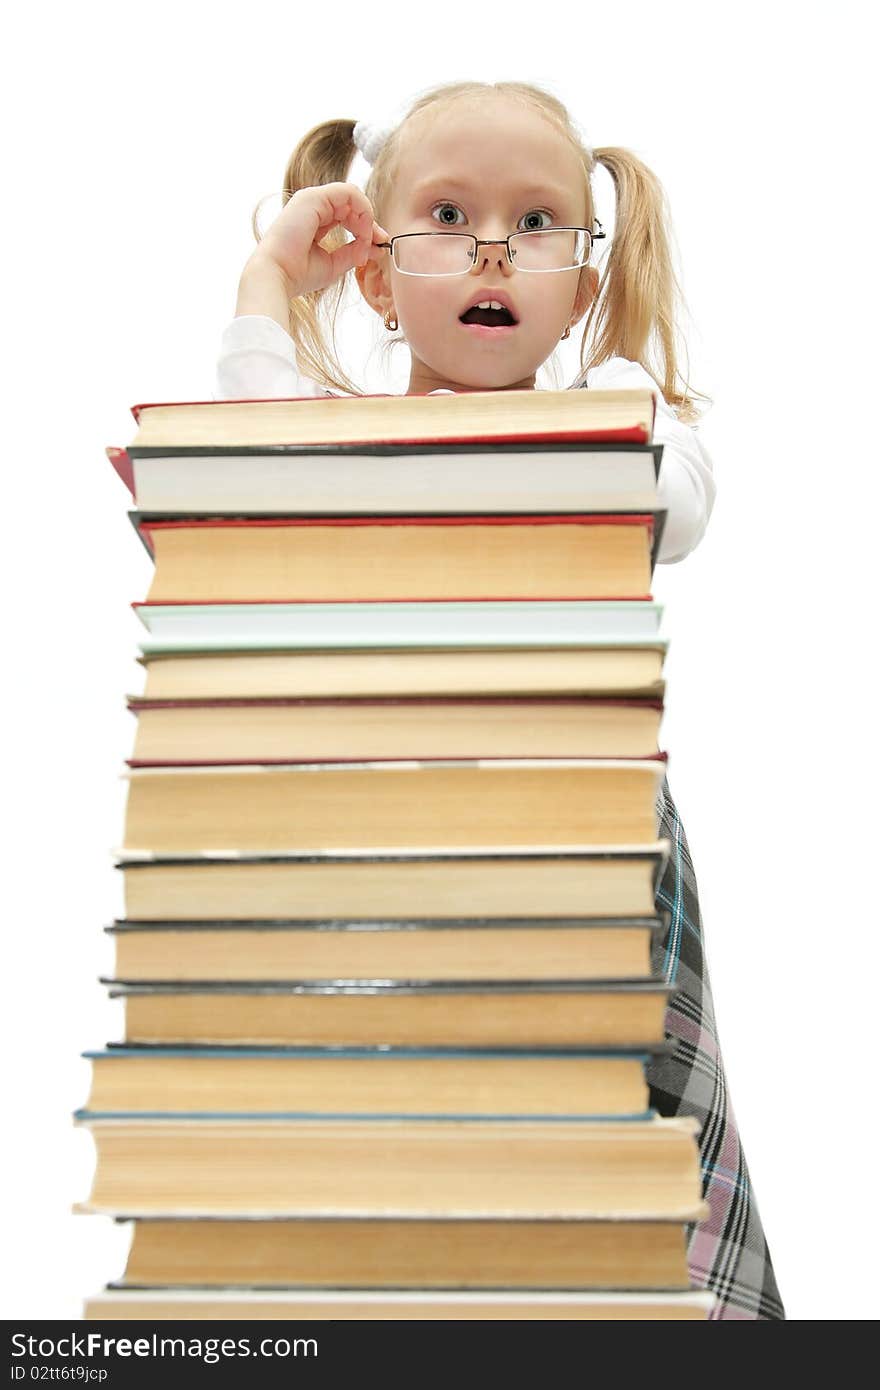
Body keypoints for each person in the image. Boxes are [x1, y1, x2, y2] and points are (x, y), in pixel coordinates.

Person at [214, 79, 785, 1321]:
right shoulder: (335, 453)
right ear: (375, 272)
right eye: (447, 214)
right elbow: (244, 445)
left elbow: (674, 511)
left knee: (624, 1140)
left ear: (580, 282)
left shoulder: (616, 421)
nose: (490, 247)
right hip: (390, 855)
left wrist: (619, 367)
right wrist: (274, 276)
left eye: (537, 224)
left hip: (590, 846)